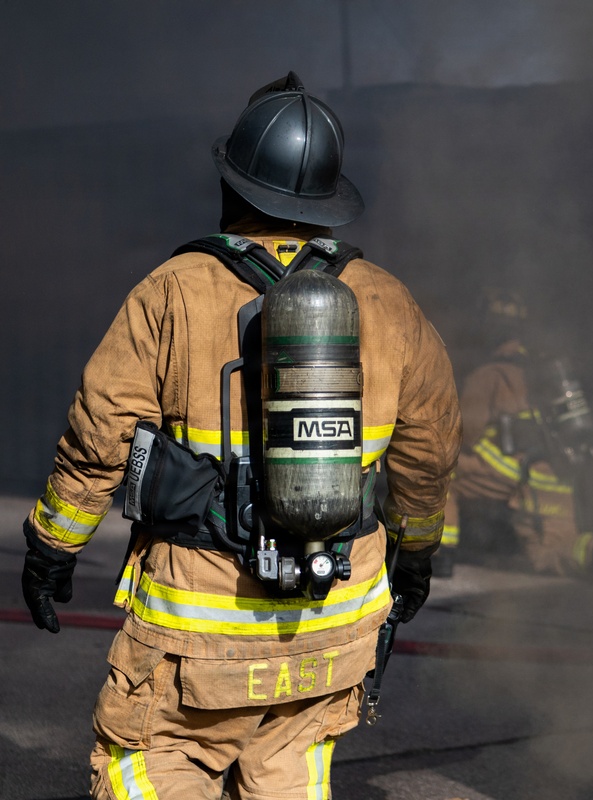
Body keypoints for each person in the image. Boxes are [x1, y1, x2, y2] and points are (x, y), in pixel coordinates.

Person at [19, 71, 461, 800]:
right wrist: (414, 554)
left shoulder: (174, 289)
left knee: (148, 767)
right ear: (326, 198)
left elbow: (100, 436)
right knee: (292, 774)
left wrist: (52, 548)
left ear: (234, 183)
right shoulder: (387, 300)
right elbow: (430, 450)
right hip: (333, 622)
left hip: (201, 629)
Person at [439, 287, 593, 578]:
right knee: (560, 549)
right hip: (556, 477)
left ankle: (438, 552)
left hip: (517, 475)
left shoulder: (489, 375)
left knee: (435, 469)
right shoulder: (540, 372)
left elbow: (462, 436)